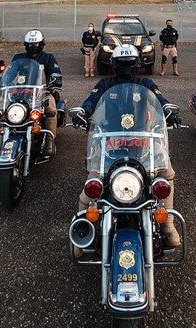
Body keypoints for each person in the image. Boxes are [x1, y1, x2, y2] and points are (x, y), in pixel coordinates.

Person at [74, 44, 181, 248]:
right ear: (114, 65)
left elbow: (159, 97)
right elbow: (92, 99)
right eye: (122, 64)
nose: (125, 68)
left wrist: (167, 108)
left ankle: (168, 224)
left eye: (129, 64)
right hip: (111, 139)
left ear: (137, 64)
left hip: (143, 138)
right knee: (94, 179)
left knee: (166, 173)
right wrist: (84, 112)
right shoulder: (105, 83)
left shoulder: (146, 83)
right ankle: (83, 226)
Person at [10, 29, 62, 151]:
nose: (32, 46)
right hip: (21, 93)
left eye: (35, 43)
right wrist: (1, 80)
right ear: (25, 44)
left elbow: (55, 73)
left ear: (41, 44)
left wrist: (54, 81)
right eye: (29, 44)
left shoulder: (48, 58)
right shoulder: (18, 58)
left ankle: (49, 142)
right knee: (4, 113)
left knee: (51, 110)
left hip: (43, 93)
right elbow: (10, 73)